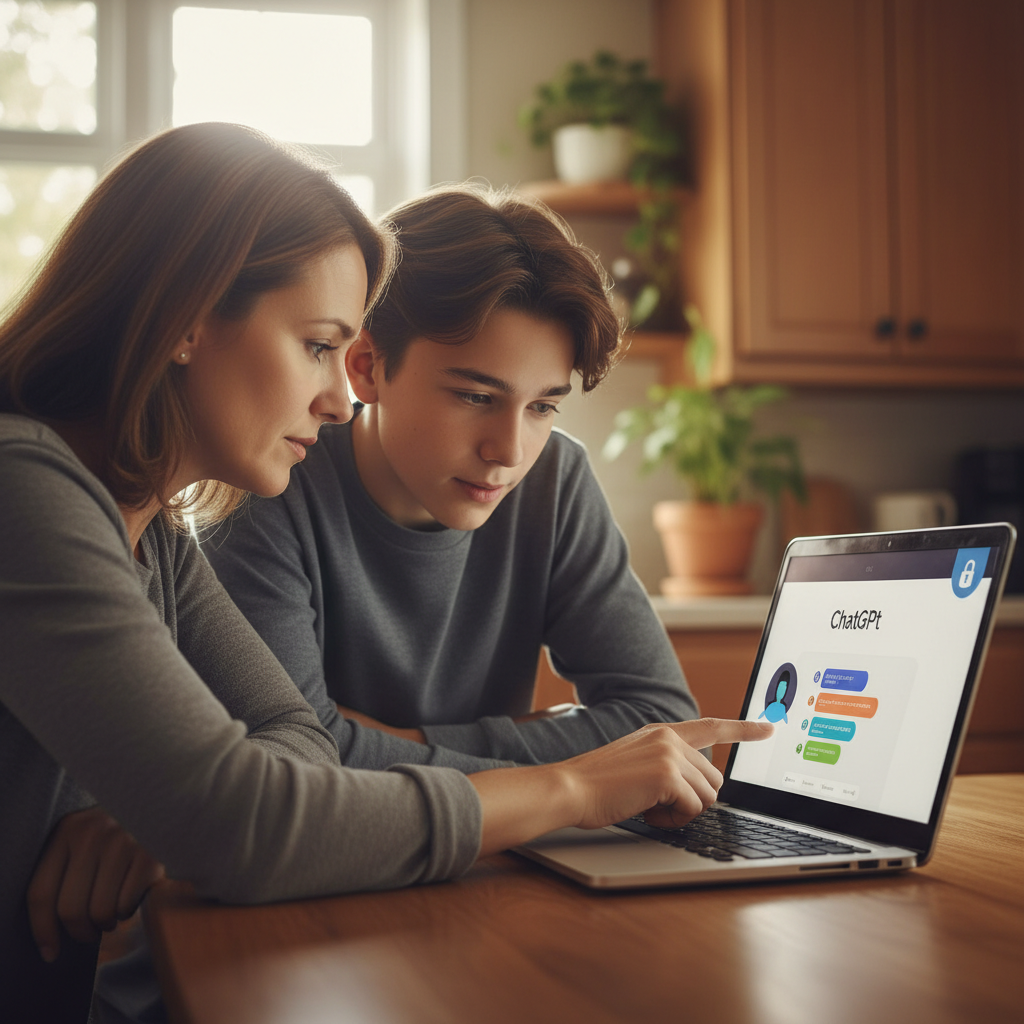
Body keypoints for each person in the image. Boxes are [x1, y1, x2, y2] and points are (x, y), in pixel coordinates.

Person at [0, 122, 771, 1020]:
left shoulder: (149, 532)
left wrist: (192, 811)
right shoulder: (25, 491)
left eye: (542, 408)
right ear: (185, 322)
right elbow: (247, 816)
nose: (335, 398)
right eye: (320, 345)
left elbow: (288, 747)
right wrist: (570, 784)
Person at [203, 185, 699, 773]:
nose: (509, 451)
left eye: (543, 406)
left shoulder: (555, 481)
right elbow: (297, 760)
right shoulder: (268, 484)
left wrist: (402, 743)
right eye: (475, 396)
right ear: (367, 366)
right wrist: (554, 752)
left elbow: (662, 721)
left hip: (500, 855)